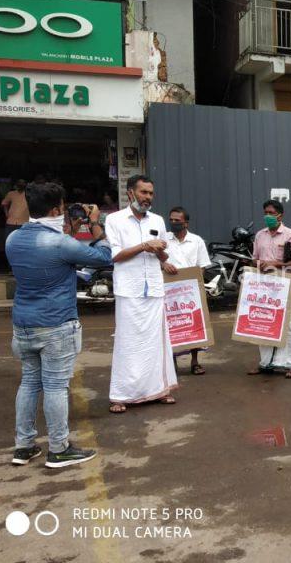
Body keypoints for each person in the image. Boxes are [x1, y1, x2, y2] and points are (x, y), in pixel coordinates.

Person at [6, 183, 111, 467]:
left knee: (29, 382)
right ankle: (59, 448)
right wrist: (94, 223)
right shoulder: (61, 243)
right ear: (56, 210)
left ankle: (24, 446)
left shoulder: (13, 240)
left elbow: (52, 251)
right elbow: (104, 257)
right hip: (55, 324)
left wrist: (71, 229)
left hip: (23, 324)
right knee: (54, 386)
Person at [104, 176, 178, 413]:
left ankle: (159, 390)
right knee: (127, 342)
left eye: (151, 193)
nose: (148, 197)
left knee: (156, 342)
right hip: (129, 288)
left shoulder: (157, 220)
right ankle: (120, 395)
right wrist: (144, 246)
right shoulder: (115, 220)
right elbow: (114, 255)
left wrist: (161, 252)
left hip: (154, 288)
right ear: (130, 194)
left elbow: (165, 257)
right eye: (143, 192)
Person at [248, 199, 291, 378]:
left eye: (271, 213)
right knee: (263, 321)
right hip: (263, 283)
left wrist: (275, 264)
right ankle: (266, 363)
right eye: (266, 212)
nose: (268, 216)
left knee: (288, 323)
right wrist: (259, 264)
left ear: (280, 215)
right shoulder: (260, 235)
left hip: (283, 282)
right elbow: (254, 258)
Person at [162, 206, 212, 375]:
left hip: (190, 290)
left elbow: (203, 265)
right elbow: (156, 260)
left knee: (194, 323)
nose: (174, 223)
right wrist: (164, 264)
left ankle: (195, 361)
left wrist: (193, 283)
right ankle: (173, 362)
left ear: (186, 223)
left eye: (178, 220)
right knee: (173, 324)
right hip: (168, 289)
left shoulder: (196, 240)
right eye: (171, 220)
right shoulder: (164, 240)